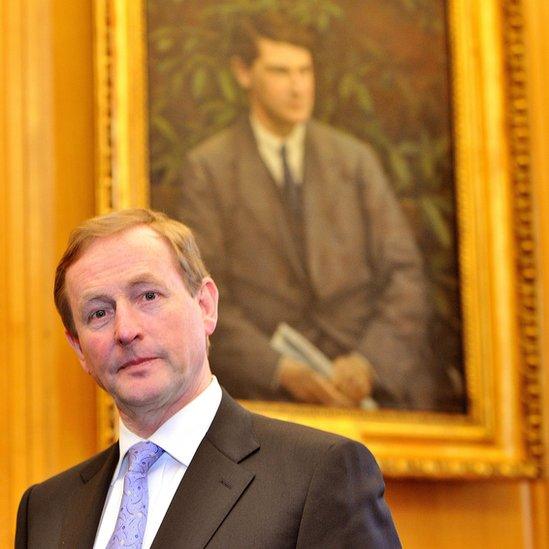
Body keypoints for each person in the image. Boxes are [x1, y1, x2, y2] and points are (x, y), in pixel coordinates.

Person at [15, 209, 400, 548]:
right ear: (79, 348)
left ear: (205, 307)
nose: (126, 330)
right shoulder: (45, 512)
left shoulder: (319, 476)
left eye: (148, 296)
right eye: (98, 313)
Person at [171, 11, 435, 410]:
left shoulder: (353, 161)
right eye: (280, 72)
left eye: (305, 71)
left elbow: (405, 277)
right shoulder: (210, 169)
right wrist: (280, 370)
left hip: (368, 385)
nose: (298, 88)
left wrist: (368, 363)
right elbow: (199, 295)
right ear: (244, 73)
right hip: (264, 394)